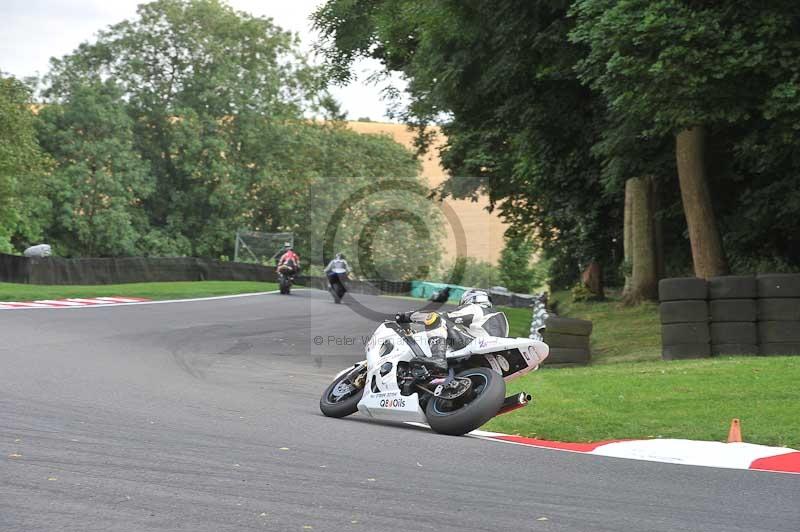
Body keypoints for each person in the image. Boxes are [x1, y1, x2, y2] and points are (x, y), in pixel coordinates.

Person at [398, 289, 494, 372]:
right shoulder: (500, 316)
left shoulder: (475, 308)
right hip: (492, 352)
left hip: (475, 344)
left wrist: (406, 316)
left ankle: (438, 357)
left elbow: (445, 316)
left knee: (434, 317)